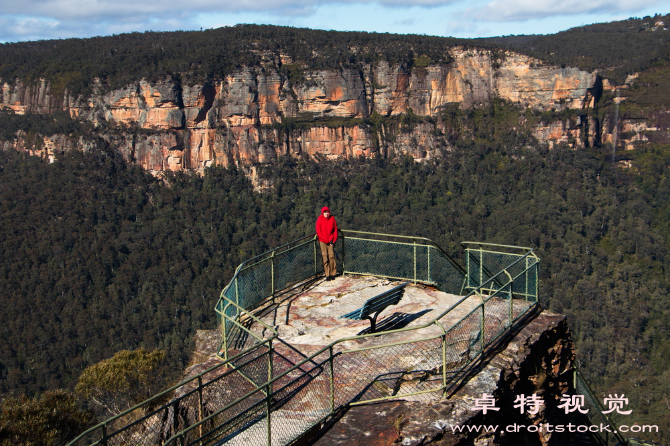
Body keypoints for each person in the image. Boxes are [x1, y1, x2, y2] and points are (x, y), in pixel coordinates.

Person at [316, 206, 338, 281]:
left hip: (330, 241)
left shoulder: (332, 219)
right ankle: (327, 274)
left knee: (331, 257)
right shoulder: (320, 219)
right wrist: (323, 239)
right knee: (325, 258)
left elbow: (335, 230)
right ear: (322, 213)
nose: (326, 214)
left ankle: (333, 273)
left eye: (327, 212)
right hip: (323, 241)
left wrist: (334, 240)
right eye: (325, 212)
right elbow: (318, 230)